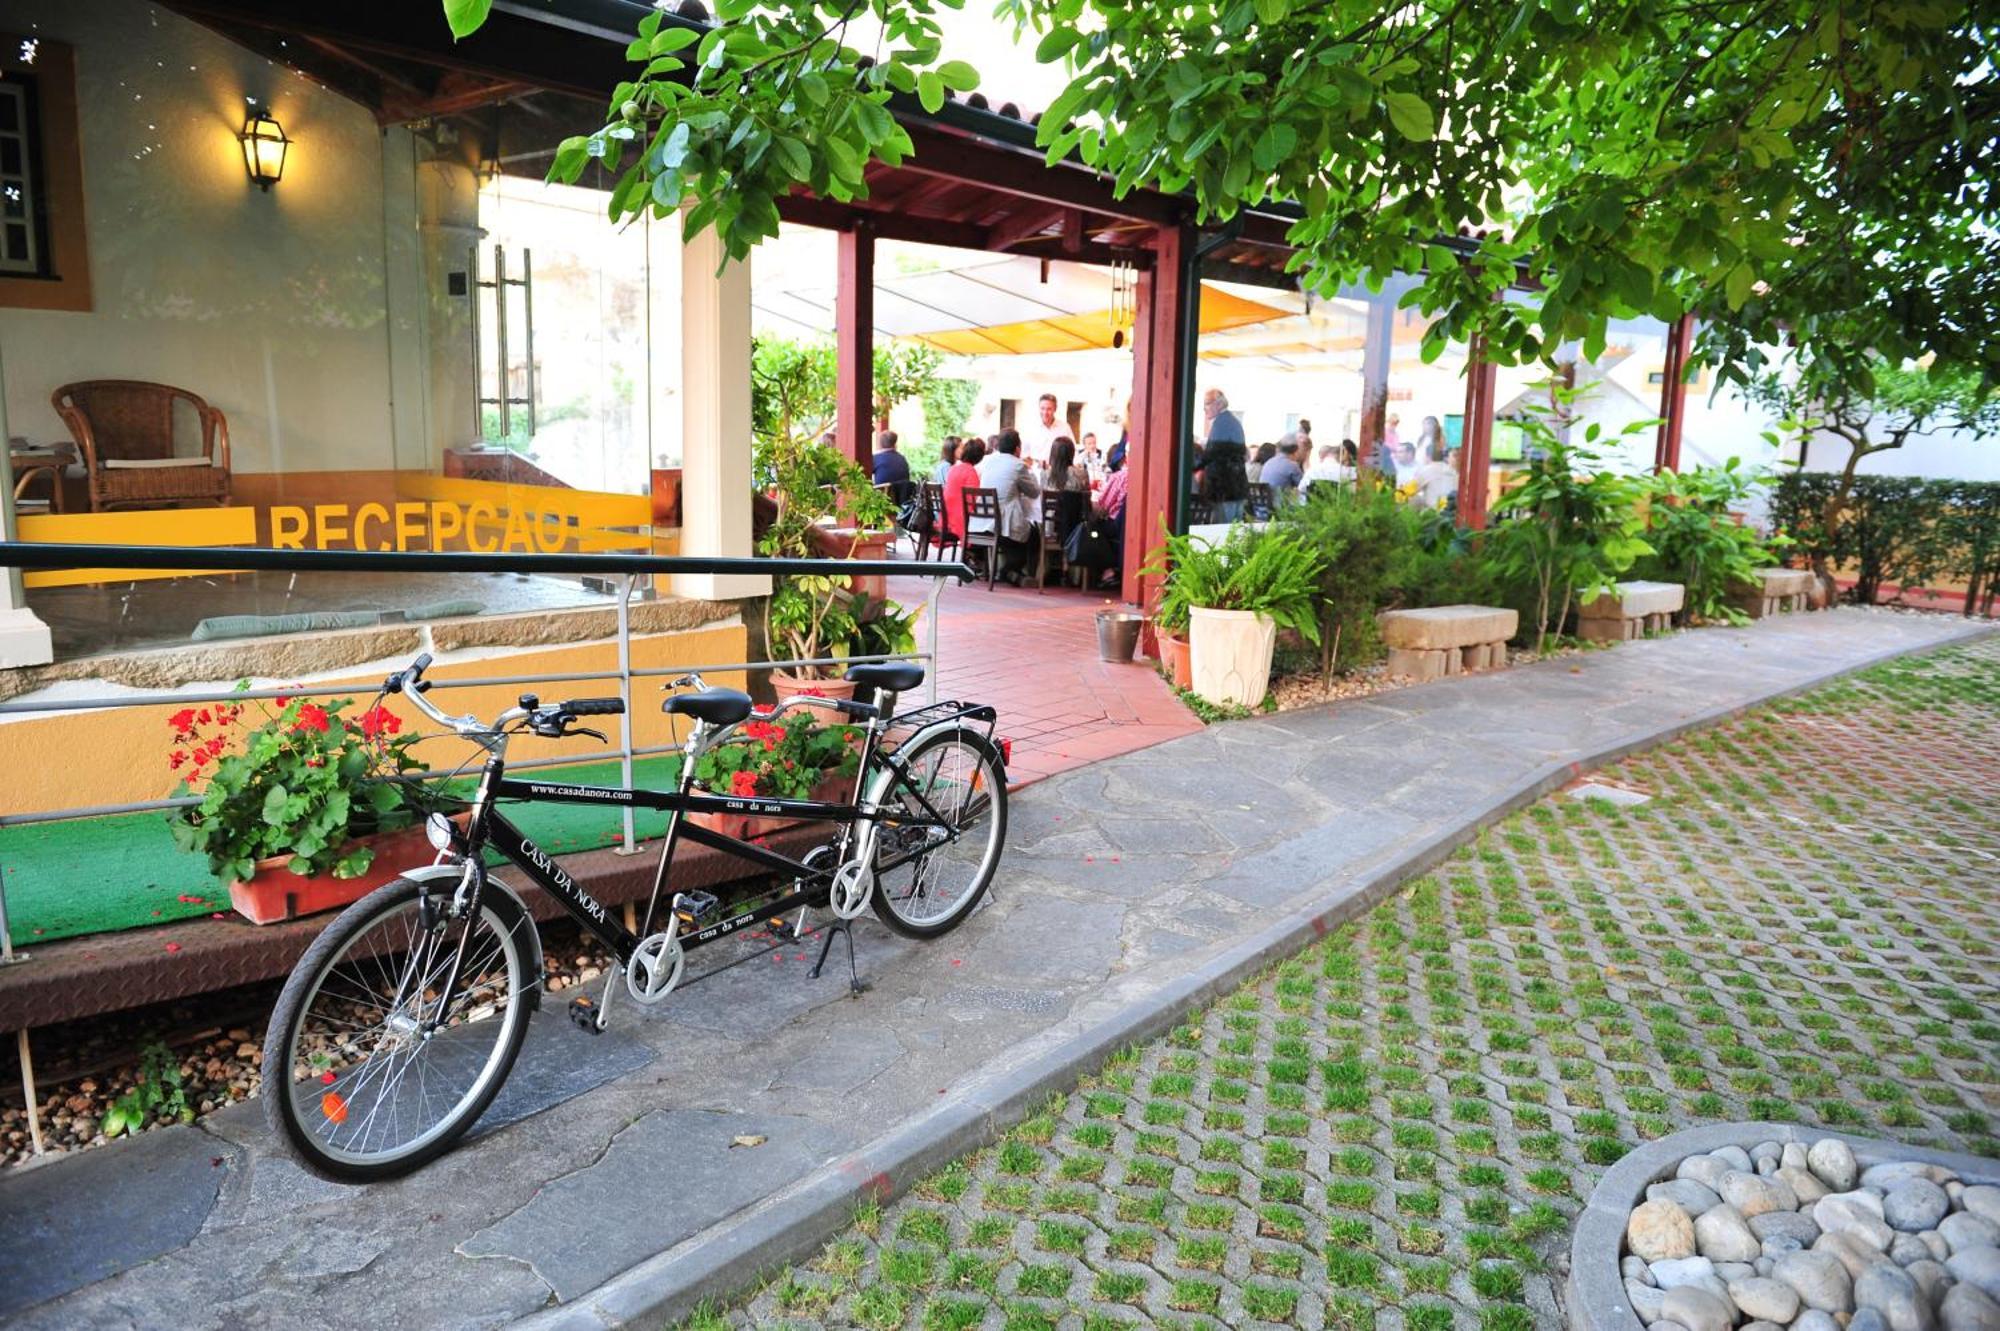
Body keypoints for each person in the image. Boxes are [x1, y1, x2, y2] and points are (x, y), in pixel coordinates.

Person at [974, 429, 1041, 583]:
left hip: (982, 521)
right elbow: (1034, 492)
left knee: (1016, 533)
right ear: (1018, 448)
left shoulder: (988, 462)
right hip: (1002, 524)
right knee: (1034, 534)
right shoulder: (1018, 465)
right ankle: (1017, 572)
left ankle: (1009, 571)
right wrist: (1032, 472)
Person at [1194, 389, 1250, 522]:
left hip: (1225, 488)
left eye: (1207, 403)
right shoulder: (1232, 421)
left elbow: (1211, 454)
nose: (1204, 408)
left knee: (1223, 530)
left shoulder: (1222, 423)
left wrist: (1191, 466)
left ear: (1219, 404)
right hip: (1234, 487)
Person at [942, 436, 984, 546]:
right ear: (980, 457)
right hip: (960, 523)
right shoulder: (971, 472)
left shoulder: (953, 469)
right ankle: (973, 556)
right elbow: (973, 502)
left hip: (946, 519)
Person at [1410, 439, 1459, 509]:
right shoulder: (1453, 471)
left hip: (1434, 514)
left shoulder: (1426, 470)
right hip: (1452, 511)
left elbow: (1410, 491)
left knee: (1415, 499)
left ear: (1427, 456)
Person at [1018, 392, 1064, 467]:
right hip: (1035, 475)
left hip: (1058, 475)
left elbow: (1073, 454)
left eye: (1049, 409)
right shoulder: (1030, 428)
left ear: (1055, 409)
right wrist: (1037, 463)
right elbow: (1023, 456)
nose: (1045, 412)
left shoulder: (1064, 428)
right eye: (1042, 408)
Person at [872, 429, 912, 503]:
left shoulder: (876, 458)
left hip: (882, 501)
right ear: (895, 443)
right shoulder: (902, 458)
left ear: (880, 444)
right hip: (903, 502)